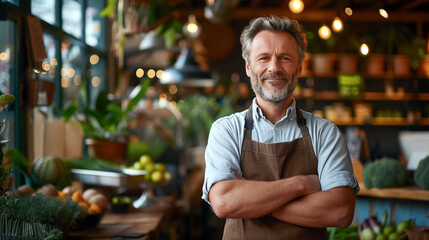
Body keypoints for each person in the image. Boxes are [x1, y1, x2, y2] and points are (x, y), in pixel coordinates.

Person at [202, 16, 359, 240]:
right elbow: (224, 202)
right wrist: (302, 184)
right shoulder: (226, 130)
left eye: (285, 58)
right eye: (263, 58)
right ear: (248, 67)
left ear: (299, 67)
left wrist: (253, 205)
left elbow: (340, 212)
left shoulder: (325, 132)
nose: (274, 68)